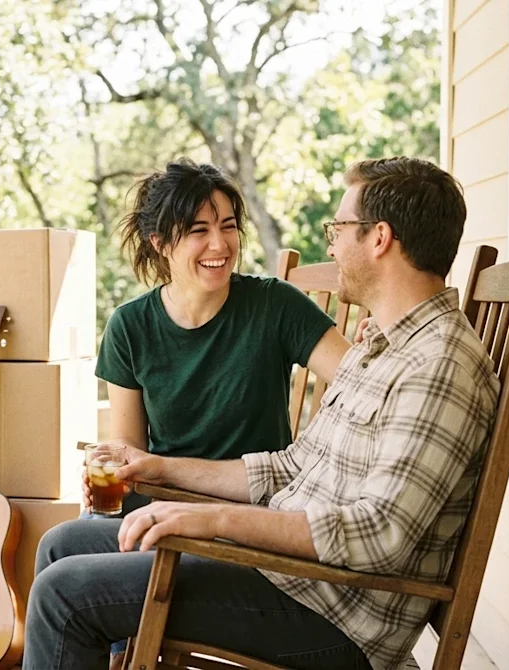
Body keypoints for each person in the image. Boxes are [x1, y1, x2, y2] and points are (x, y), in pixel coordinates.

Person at [25, 157, 501, 670]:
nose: (332, 244)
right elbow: (292, 467)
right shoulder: (385, 349)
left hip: (330, 607)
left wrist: (215, 519)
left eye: (338, 228)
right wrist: (161, 471)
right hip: (287, 570)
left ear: (379, 237)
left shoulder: (436, 365)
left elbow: (379, 534)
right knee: (63, 544)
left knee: (64, 596)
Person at [90, 158, 351, 518]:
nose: (220, 245)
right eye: (199, 231)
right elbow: (129, 448)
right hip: (163, 505)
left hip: (249, 513)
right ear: (160, 243)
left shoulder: (275, 305)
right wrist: (109, 470)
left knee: (67, 566)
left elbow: (361, 382)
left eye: (228, 227)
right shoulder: (129, 326)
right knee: (59, 543)